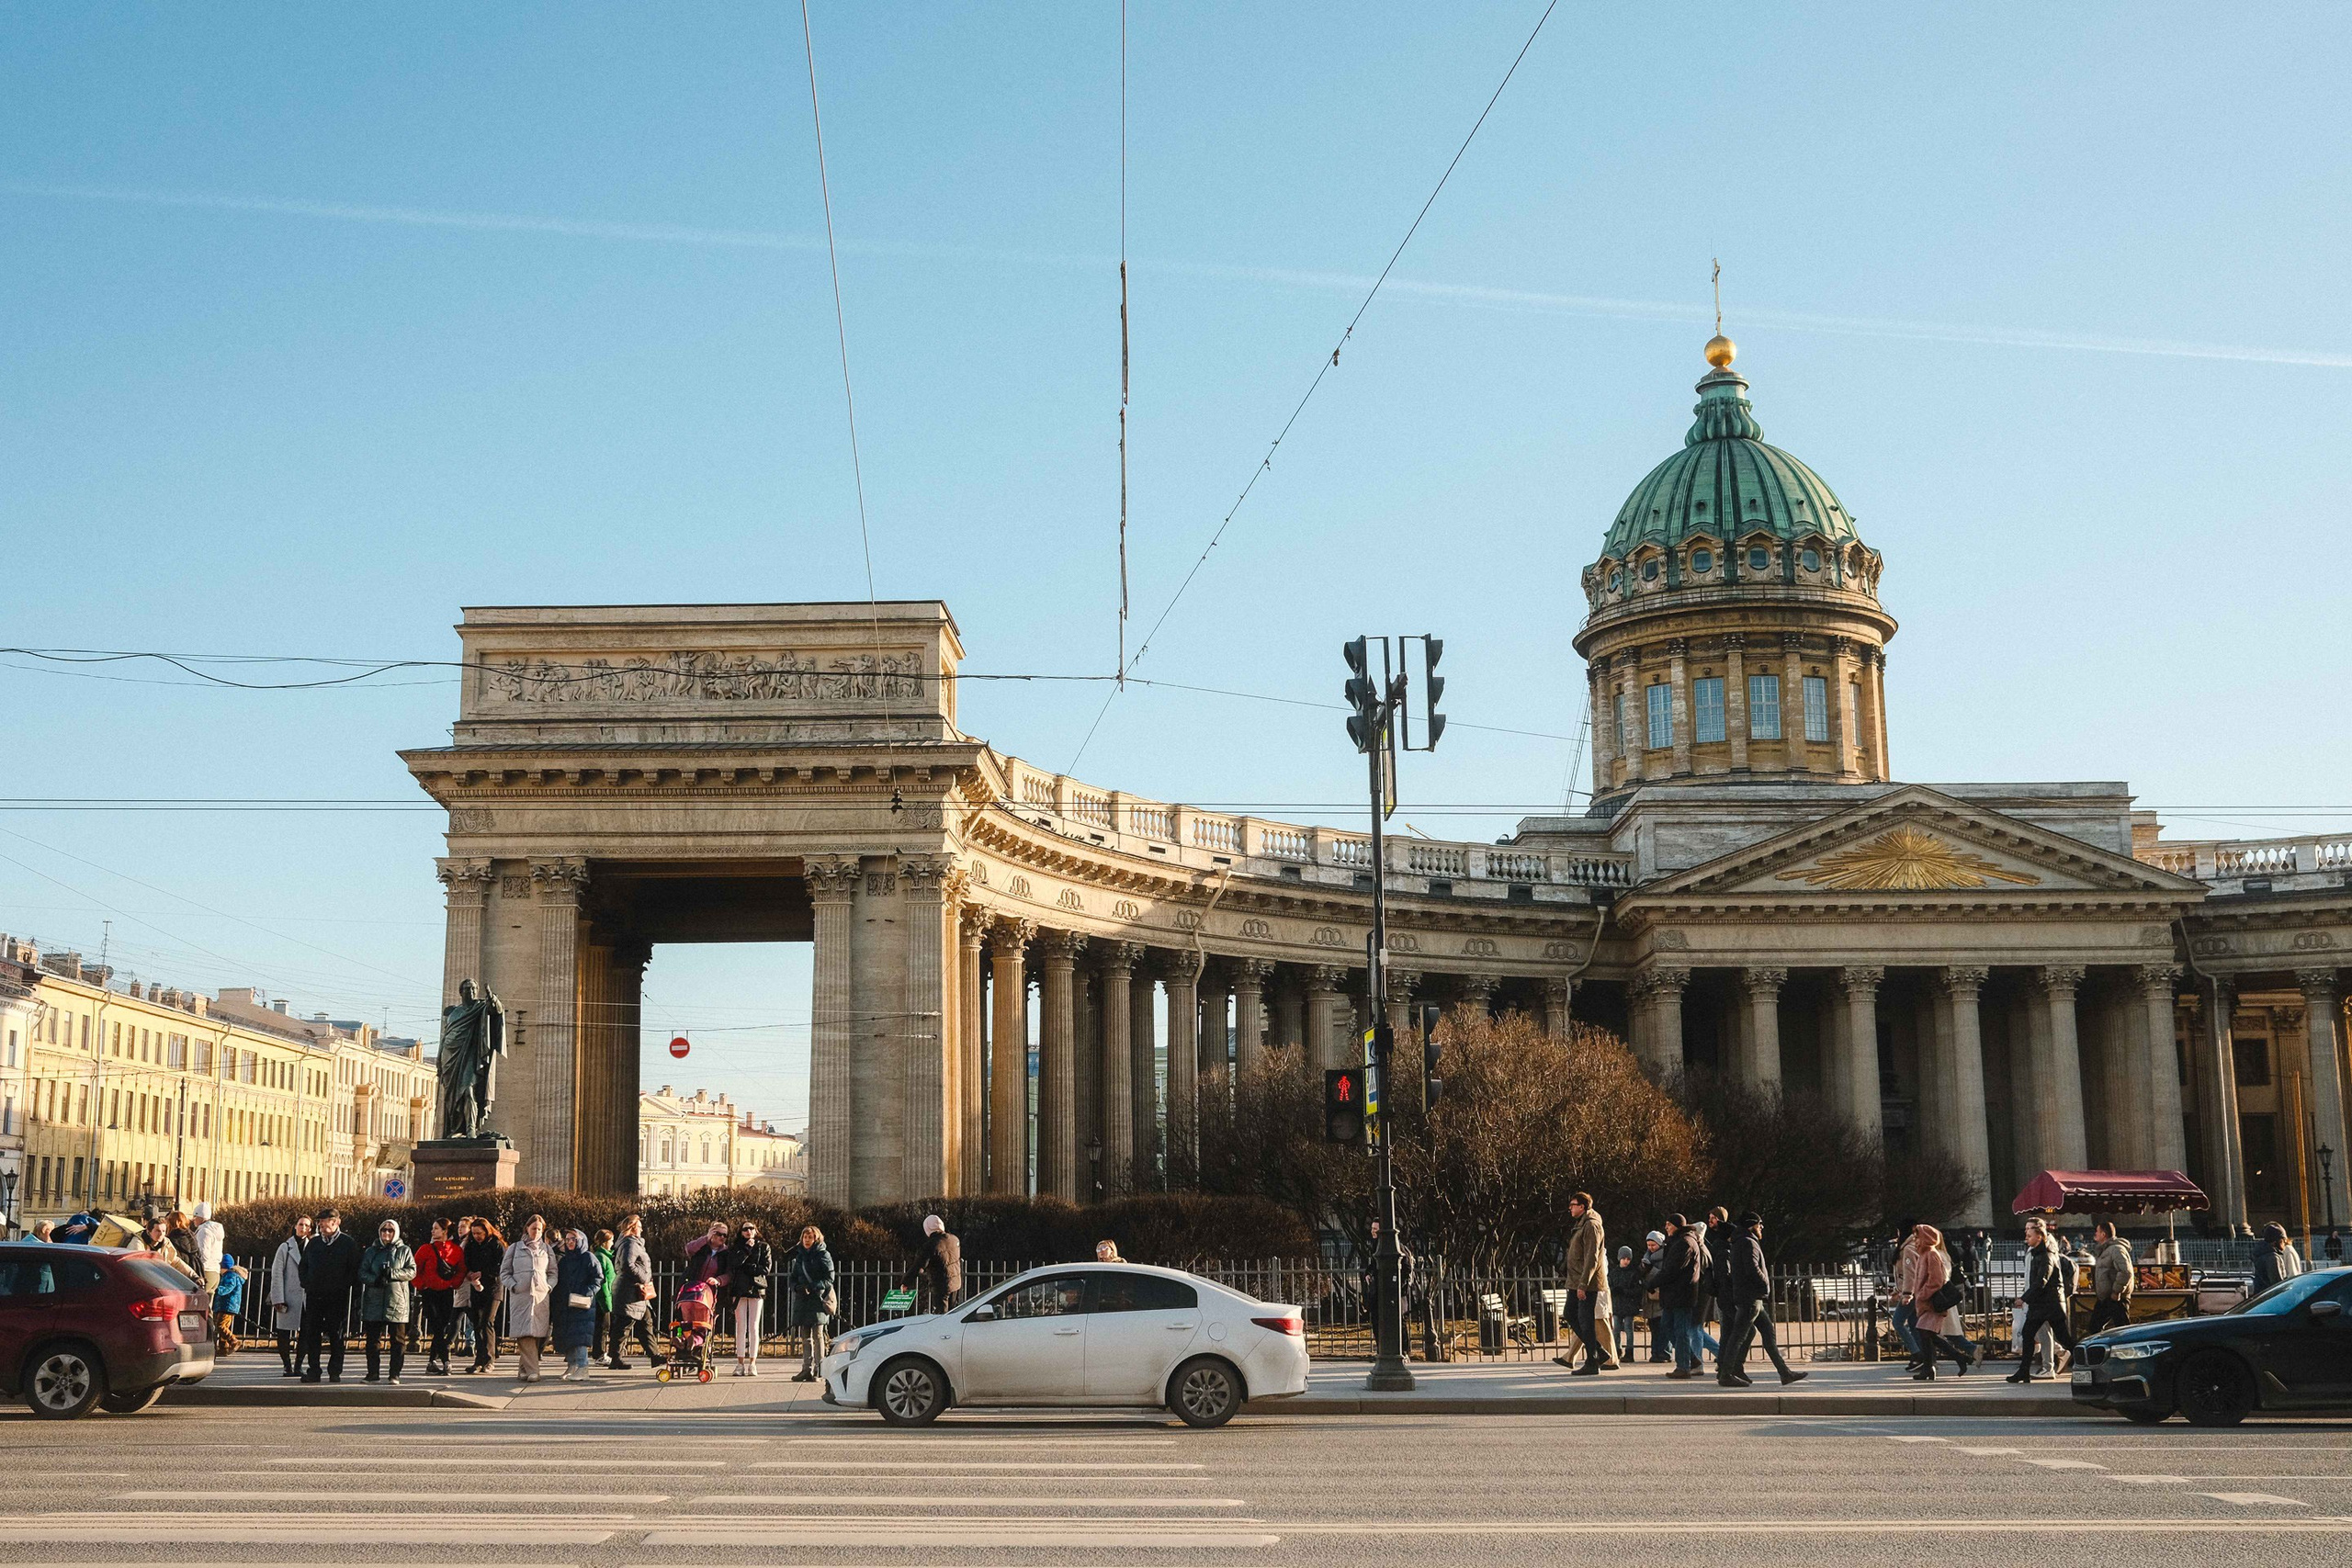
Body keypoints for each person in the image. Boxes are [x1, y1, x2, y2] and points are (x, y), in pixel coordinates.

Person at [2007, 1217, 2076, 1382]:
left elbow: (2041, 1281)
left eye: (2029, 1235)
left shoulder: (2046, 1256)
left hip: (2049, 1305)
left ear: (2040, 1236)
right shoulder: (2037, 1254)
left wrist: (2023, 1299)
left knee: (2063, 1337)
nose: (2026, 1237)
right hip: (2043, 1304)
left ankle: (2087, 1358)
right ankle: (2023, 1372)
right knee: (2028, 1333)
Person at [299, 1208, 362, 1383]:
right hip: (315, 1295)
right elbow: (303, 1266)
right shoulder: (314, 1243)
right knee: (313, 1333)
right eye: (320, 1222)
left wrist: (343, 1286)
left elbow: (353, 1269)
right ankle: (314, 1370)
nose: (322, 1225)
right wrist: (307, 1282)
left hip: (336, 1296)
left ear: (336, 1222)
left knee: (336, 1334)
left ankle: (335, 1371)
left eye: (326, 1221)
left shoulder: (347, 1243)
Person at [1907, 1224, 1974, 1380]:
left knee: (1925, 1332)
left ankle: (1952, 1360)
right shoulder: (1925, 1254)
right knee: (1926, 1334)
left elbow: (1937, 1280)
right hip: (1927, 1302)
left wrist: (1922, 1294)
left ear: (1926, 1238)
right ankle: (1938, 1364)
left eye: (1918, 1237)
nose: (1915, 1240)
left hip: (1932, 1301)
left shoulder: (1931, 1254)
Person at [358, 1218, 417, 1384]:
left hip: (396, 1300)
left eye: (390, 1230)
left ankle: (394, 1374)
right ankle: (373, 1373)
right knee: (372, 1340)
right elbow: (362, 1272)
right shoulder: (371, 1251)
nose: (386, 1233)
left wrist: (392, 1274)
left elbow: (411, 1271)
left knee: (397, 1340)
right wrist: (375, 1280)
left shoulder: (404, 1250)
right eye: (384, 1230)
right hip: (374, 1300)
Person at [500, 1213, 556, 1382]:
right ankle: (534, 1371)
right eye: (533, 1229)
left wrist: (548, 1286)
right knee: (524, 1333)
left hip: (540, 1297)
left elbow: (553, 1272)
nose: (536, 1232)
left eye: (539, 1229)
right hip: (520, 1296)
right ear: (527, 1229)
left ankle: (523, 1369)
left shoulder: (547, 1249)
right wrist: (513, 1285)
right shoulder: (515, 1248)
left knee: (538, 1333)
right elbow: (504, 1272)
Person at [1556, 1190, 1608, 1374]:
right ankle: (1599, 1351)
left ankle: (1592, 1362)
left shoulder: (1592, 1225)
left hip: (1585, 1282)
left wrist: (1583, 1284)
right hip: (1575, 1280)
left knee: (1585, 1321)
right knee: (1570, 1314)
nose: (1570, 1208)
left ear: (1583, 1206)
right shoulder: (1581, 1223)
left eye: (1573, 1204)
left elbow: (1592, 1257)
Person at [413, 1218, 467, 1375]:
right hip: (430, 1292)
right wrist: (422, 1285)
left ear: (445, 1231)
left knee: (442, 1327)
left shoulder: (455, 1250)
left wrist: (453, 1283)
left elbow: (461, 1270)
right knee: (436, 1326)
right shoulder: (425, 1249)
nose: (432, 1231)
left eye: (436, 1228)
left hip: (446, 1292)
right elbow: (415, 1270)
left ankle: (431, 1361)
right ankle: (446, 1360)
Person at [721, 1219, 775, 1376]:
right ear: (741, 1232)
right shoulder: (736, 1248)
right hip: (739, 1290)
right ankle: (739, 1363)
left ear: (756, 1230)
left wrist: (748, 1267)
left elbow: (766, 1268)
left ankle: (753, 1362)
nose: (748, 1231)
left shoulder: (763, 1246)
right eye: (745, 1229)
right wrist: (746, 1251)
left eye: (751, 1228)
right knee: (740, 1326)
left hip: (756, 1289)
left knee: (754, 1326)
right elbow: (733, 1264)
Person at [607, 1213, 661, 1371]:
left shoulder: (631, 1243)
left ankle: (654, 1356)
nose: (642, 1228)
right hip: (630, 1292)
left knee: (646, 1322)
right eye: (639, 1226)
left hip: (635, 1293)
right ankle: (615, 1358)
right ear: (632, 1227)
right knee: (624, 1325)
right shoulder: (630, 1243)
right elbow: (627, 1264)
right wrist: (644, 1277)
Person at [1656, 1214, 1706, 1378]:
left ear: (1677, 1225)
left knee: (1680, 1330)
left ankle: (1684, 1366)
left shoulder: (1685, 1242)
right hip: (1674, 1294)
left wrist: (1652, 1282)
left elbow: (1672, 1270)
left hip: (1681, 1294)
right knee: (1668, 1326)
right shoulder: (1677, 1241)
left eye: (1669, 1224)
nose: (1666, 1227)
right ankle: (1692, 1359)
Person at [785, 1223, 835, 1382]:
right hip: (802, 1299)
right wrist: (797, 1287)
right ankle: (806, 1369)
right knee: (805, 1335)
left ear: (816, 1238)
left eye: (810, 1237)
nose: (807, 1240)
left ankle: (819, 1369)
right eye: (805, 1237)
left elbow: (829, 1279)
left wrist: (813, 1287)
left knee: (818, 1334)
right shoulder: (799, 1256)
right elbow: (792, 1278)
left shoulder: (823, 1255)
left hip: (817, 1299)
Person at [552, 1228, 603, 1381]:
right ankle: (572, 1365)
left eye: (573, 1239)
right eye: (567, 1240)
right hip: (566, 1304)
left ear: (581, 1241)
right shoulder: (565, 1260)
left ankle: (583, 1367)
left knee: (580, 1336)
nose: (570, 1242)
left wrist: (586, 1292)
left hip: (581, 1304)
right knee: (569, 1336)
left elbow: (598, 1279)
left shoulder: (588, 1257)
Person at [460, 1216, 506, 1373]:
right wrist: (470, 1273)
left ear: (487, 1231)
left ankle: (489, 1359)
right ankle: (479, 1359)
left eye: (479, 1233)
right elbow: (466, 1263)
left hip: (493, 1287)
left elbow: (500, 1267)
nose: (477, 1236)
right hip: (476, 1287)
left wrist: (483, 1273)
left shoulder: (496, 1245)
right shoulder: (471, 1245)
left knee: (487, 1321)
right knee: (477, 1324)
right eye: (474, 1233)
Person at [269, 1214, 311, 1376]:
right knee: (284, 1331)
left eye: (307, 1226)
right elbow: (277, 1273)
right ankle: (287, 1365)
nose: (303, 1228)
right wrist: (278, 1298)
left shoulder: (312, 1246)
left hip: (306, 1296)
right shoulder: (285, 1247)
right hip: (288, 1295)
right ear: (295, 1226)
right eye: (301, 1224)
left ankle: (299, 1364)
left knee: (306, 1332)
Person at [908, 1214, 963, 1316]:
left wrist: (906, 1282)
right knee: (952, 1314)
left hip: (941, 1284)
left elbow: (919, 1265)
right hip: (955, 1283)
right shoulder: (954, 1240)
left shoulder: (932, 1245)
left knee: (941, 1316)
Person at [2086, 1220, 2133, 1336]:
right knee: (2094, 1327)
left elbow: (2125, 1272)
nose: (2095, 1234)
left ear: (2103, 1234)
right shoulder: (2106, 1250)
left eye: (2097, 1231)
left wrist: (2116, 1291)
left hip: (2116, 1298)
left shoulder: (2116, 1249)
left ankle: (2128, 1351)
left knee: (2123, 1330)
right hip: (2106, 1298)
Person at [1608, 1245, 1643, 1365]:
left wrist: (1623, 1291)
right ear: (1619, 1258)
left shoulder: (1633, 1273)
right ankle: (1617, 1350)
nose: (1626, 1261)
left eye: (1628, 1259)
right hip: (1617, 1305)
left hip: (1628, 1305)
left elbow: (1637, 1290)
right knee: (1616, 1329)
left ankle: (1629, 1352)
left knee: (1628, 1329)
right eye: (1624, 1258)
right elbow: (1609, 1286)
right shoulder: (1614, 1272)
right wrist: (1614, 1290)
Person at [139, 1214, 199, 1282]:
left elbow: (176, 1262)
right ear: (148, 1232)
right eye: (158, 1231)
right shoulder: (138, 1244)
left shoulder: (166, 1243)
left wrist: (194, 1276)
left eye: (164, 1231)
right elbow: (137, 1266)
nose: (161, 1234)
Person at [1638, 1230, 1669, 1361]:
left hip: (1660, 1295)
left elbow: (1664, 1274)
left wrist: (1651, 1270)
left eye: (1653, 1245)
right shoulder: (1647, 1256)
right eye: (1649, 1245)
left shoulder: (1665, 1256)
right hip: (1649, 1297)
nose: (1650, 1248)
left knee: (1663, 1327)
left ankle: (1664, 1352)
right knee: (1653, 1327)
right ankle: (1655, 1352)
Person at [589, 1228, 617, 1371]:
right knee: (602, 1327)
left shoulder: (604, 1256)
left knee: (603, 1327)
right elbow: (603, 1281)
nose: (613, 1243)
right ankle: (599, 1353)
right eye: (611, 1240)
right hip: (603, 1298)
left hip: (606, 1296)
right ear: (606, 1242)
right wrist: (606, 1302)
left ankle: (600, 1353)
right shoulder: (601, 1257)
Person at [2251, 1222, 2304, 1294]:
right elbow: (2277, 1283)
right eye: (2282, 1241)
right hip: (2271, 1297)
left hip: (2261, 1295)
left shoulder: (2261, 1253)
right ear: (2277, 1241)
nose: (2284, 1243)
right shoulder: (2273, 1257)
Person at [191, 1201, 225, 1300]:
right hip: (215, 1272)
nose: (193, 1220)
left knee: (197, 1302)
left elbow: (204, 1254)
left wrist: (198, 1270)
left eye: (195, 1217)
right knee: (208, 1307)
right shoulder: (215, 1230)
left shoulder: (204, 1231)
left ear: (201, 1217)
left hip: (206, 1271)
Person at [213, 1262, 248, 1356]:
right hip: (228, 1305)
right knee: (224, 1326)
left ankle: (234, 1341)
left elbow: (229, 1287)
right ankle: (223, 1348)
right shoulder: (233, 1275)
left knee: (220, 1326)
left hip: (226, 1305)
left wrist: (218, 1289)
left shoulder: (230, 1275)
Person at [687, 1221, 732, 1288]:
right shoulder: (702, 1247)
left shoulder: (726, 1253)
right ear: (712, 1233)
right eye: (719, 1234)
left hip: (711, 1292)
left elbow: (729, 1274)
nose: (722, 1237)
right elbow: (689, 1249)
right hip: (693, 1288)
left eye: (725, 1235)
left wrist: (718, 1280)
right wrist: (706, 1238)